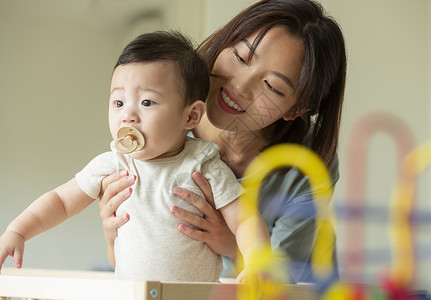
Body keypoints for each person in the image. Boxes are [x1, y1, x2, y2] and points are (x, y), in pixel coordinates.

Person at [100, 0, 346, 284]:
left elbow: (282, 280)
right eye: (241, 57)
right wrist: (112, 235)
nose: (240, 86)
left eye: (272, 86)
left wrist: (230, 242)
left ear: (296, 110)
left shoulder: (306, 157)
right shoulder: (162, 127)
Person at [0, 31, 271, 283]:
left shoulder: (203, 164)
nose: (127, 115)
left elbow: (245, 219)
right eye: (118, 103)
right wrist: (18, 231)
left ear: (190, 116)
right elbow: (60, 201)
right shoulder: (114, 162)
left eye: (146, 102)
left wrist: (257, 262)